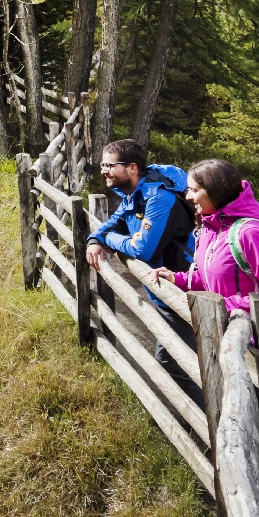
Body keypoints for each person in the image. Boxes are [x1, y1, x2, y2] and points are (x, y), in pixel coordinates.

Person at [85, 138, 201, 403]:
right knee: (188, 358)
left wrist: (110, 242)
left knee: (173, 362)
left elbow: (141, 250)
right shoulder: (135, 194)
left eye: (109, 165)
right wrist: (96, 239)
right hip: (167, 291)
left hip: (184, 290)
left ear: (132, 168)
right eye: (103, 164)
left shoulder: (158, 198)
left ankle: (213, 426)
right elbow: (113, 223)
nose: (103, 170)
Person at [153, 158, 259, 317]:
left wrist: (217, 304)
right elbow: (210, 277)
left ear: (214, 191)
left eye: (194, 190)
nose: (188, 197)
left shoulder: (251, 233)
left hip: (254, 338)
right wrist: (175, 278)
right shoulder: (210, 228)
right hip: (220, 332)